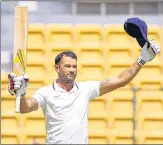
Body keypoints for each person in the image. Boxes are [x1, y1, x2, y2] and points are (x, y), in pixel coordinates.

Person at [8, 40, 160, 144]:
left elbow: (121, 80)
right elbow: (25, 108)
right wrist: (20, 95)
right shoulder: (46, 92)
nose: (72, 70)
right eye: (68, 66)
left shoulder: (86, 89)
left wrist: (142, 59)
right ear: (57, 68)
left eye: (74, 67)